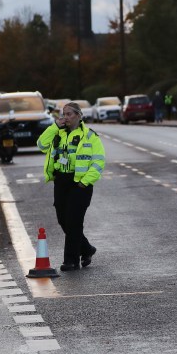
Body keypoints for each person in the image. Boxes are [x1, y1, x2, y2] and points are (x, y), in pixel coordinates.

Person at [37, 101, 106, 271]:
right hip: (61, 181)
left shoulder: (90, 136)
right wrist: (54, 126)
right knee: (63, 220)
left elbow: (98, 162)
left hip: (80, 184)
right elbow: (41, 144)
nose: (65, 117)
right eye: (63, 114)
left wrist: (85, 181)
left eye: (69, 114)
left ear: (78, 115)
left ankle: (71, 260)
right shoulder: (57, 133)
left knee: (74, 221)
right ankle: (87, 249)